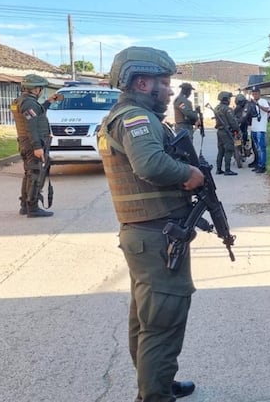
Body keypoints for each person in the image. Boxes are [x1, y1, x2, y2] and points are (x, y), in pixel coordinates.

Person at [97, 46, 204, 401]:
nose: (170, 90)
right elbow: (151, 166)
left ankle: (158, 381)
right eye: (164, 82)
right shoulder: (135, 119)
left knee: (148, 318)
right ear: (142, 82)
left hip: (148, 235)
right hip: (156, 237)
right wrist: (189, 173)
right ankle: (155, 395)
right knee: (163, 320)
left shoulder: (128, 116)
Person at [11, 74, 60, 217]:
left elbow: (35, 114)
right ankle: (32, 207)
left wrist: (49, 102)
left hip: (25, 142)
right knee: (35, 174)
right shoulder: (29, 103)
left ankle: (25, 205)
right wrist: (37, 147)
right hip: (32, 143)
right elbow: (31, 126)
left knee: (29, 173)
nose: (41, 91)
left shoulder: (21, 101)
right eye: (41, 88)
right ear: (36, 89)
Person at [214, 91, 240, 176]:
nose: (230, 100)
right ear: (226, 99)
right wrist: (237, 129)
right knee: (229, 149)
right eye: (229, 98)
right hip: (226, 132)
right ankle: (227, 170)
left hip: (219, 131)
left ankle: (218, 169)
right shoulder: (227, 109)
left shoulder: (217, 108)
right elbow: (233, 122)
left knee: (220, 150)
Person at [249, 86, 270, 174]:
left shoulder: (263, 101)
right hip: (254, 128)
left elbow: (267, 110)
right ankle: (258, 164)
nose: (254, 95)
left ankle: (262, 166)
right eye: (253, 94)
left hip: (261, 128)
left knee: (262, 148)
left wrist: (257, 104)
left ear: (259, 93)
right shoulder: (252, 102)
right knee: (257, 148)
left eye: (256, 94)